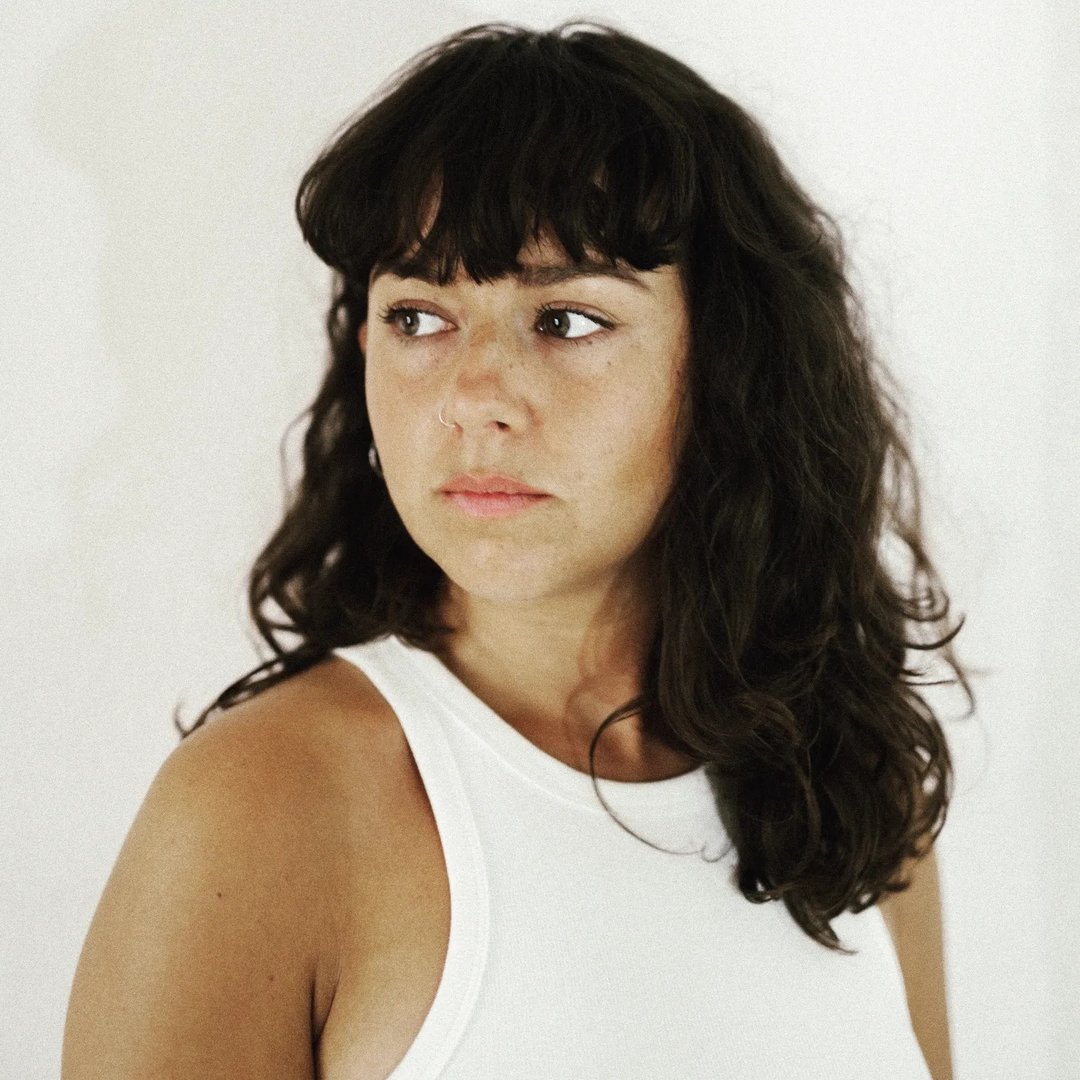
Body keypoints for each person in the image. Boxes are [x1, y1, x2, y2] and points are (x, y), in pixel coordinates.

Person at [62, 21, 969, 1080]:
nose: (474, 397)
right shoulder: (263, 807)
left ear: (728, 364)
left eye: (569, 320)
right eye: (418, 317)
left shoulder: (849, 781)